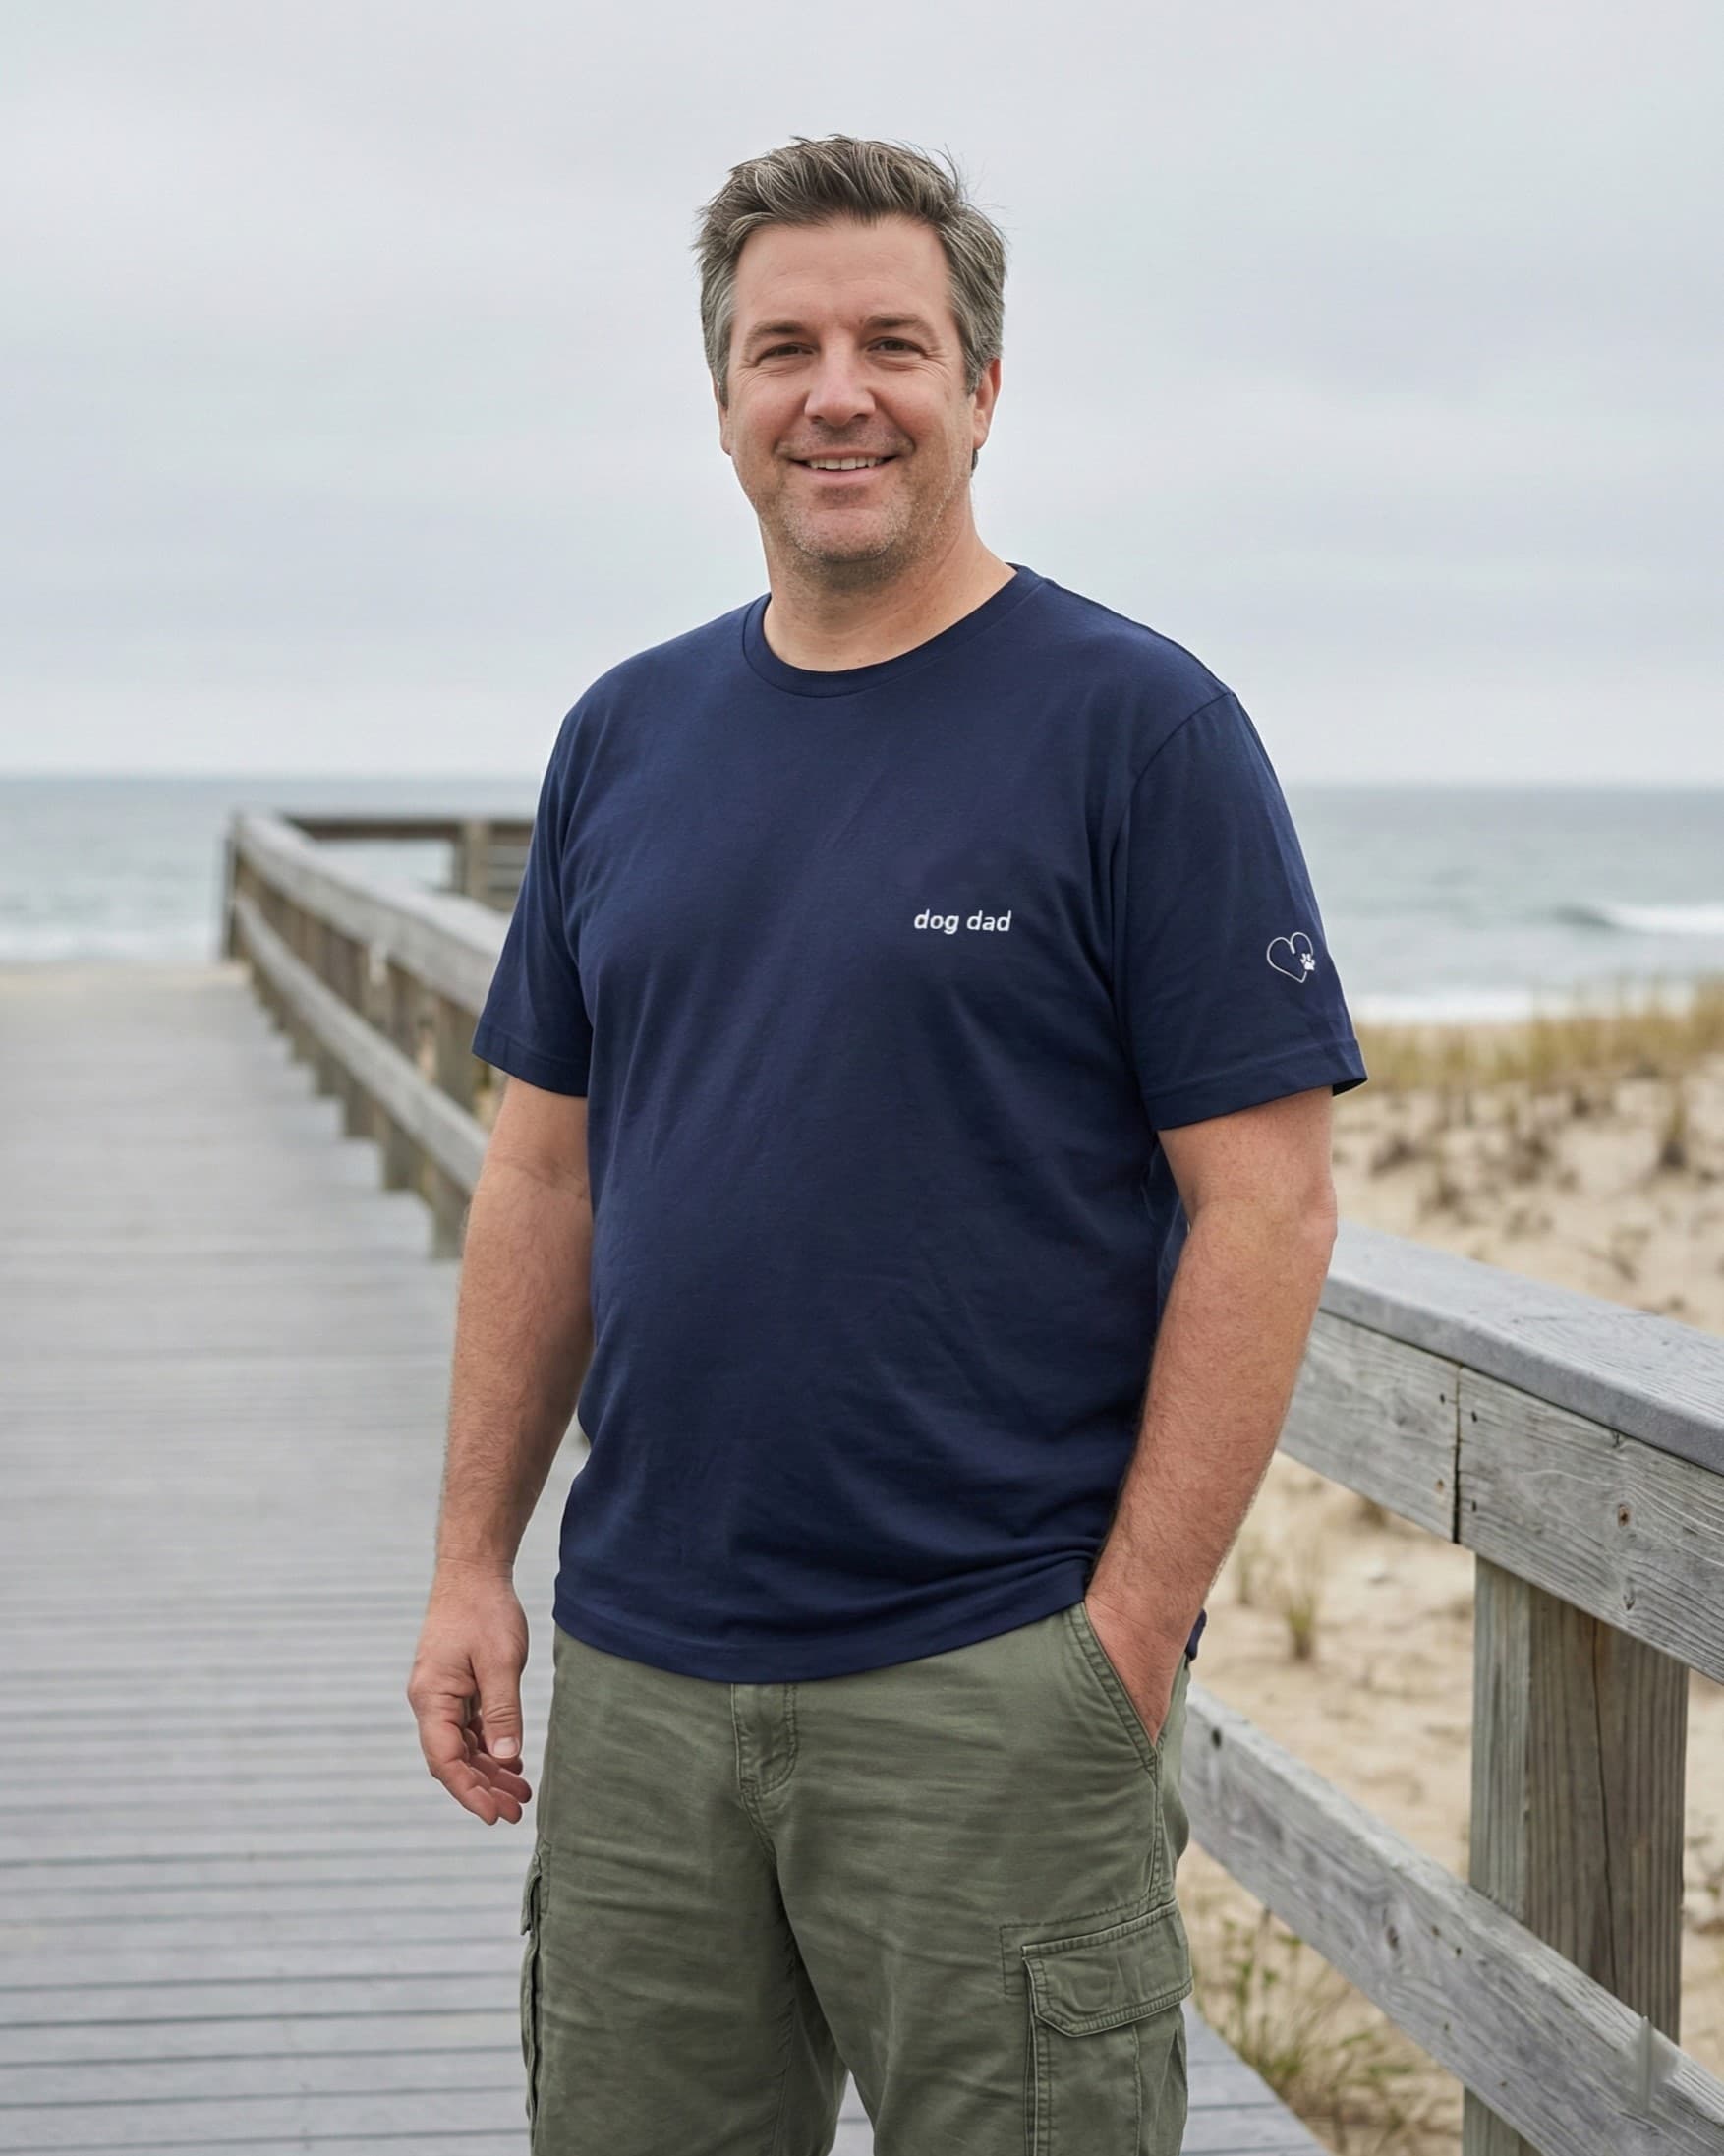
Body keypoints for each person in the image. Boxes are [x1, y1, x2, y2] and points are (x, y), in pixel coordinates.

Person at [406, 131, 1367, 2154]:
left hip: (987, 1678)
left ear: (981, 388)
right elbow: (544, 1171)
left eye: (891, 343)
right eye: (783, 348)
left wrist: (1121, 1645)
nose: (835, 391)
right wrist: (467, 1561)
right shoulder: (626, 736)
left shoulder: (1138, 730)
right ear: (724, 396)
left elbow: (1263, 1201)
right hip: (646, 1675)